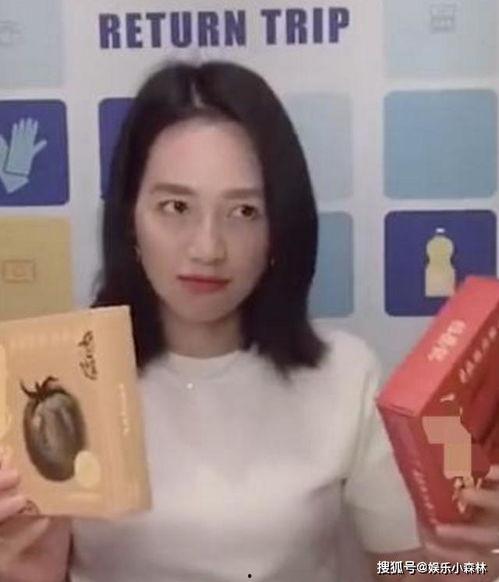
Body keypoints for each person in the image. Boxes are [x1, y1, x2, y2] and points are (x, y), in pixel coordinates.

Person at [0, 60, 499, 582]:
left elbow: (398, 567)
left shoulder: (345, 375)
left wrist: (476, 561)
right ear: (130, 218)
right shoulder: (58, 382)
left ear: (279, 228)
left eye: (243, 212)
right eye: (176, 207)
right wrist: (24, 570)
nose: (207, 248)